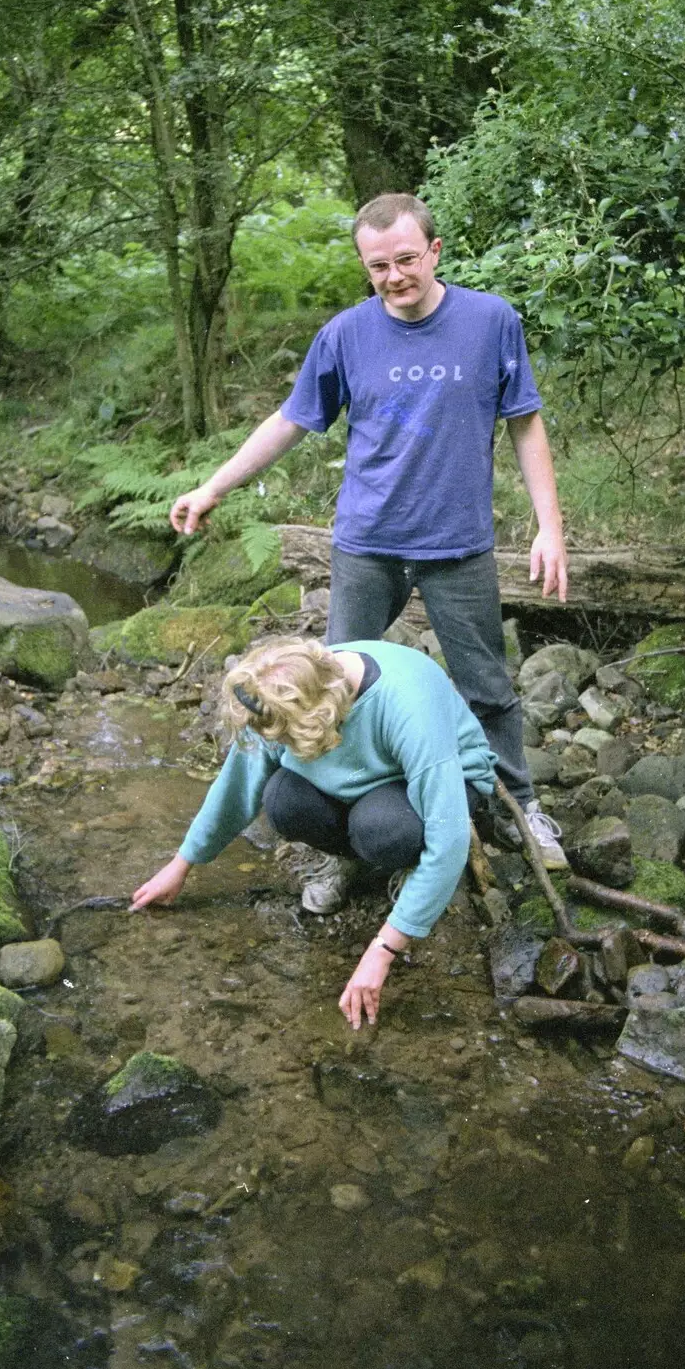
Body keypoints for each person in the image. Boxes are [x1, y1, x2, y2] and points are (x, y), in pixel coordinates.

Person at [169, 192, 569, 907]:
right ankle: (350, 837)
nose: (394, 277)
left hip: (458, 544)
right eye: (378, 265)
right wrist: (213, 487)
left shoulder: (489, 322)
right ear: (365, 264)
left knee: (487, 688)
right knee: (328, 692)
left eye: (407, 260)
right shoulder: (347, 335)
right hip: (367, 542)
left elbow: (526, 426)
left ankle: (519, 808)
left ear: (435, 251)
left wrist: (550, 527)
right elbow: (291, 421)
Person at [130, 635, 497, 1029]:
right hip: (350, 778)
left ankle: (407, 870)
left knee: (383, 830)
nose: (278, 742)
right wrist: (183, 862)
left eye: (288, 736)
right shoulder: (274, 691)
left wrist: (385, 947)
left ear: (320, 714)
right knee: (282, 799)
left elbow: (450, 839)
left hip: (422, 788)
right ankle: (347, 860)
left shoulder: (407, 704)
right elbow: (238, 785)